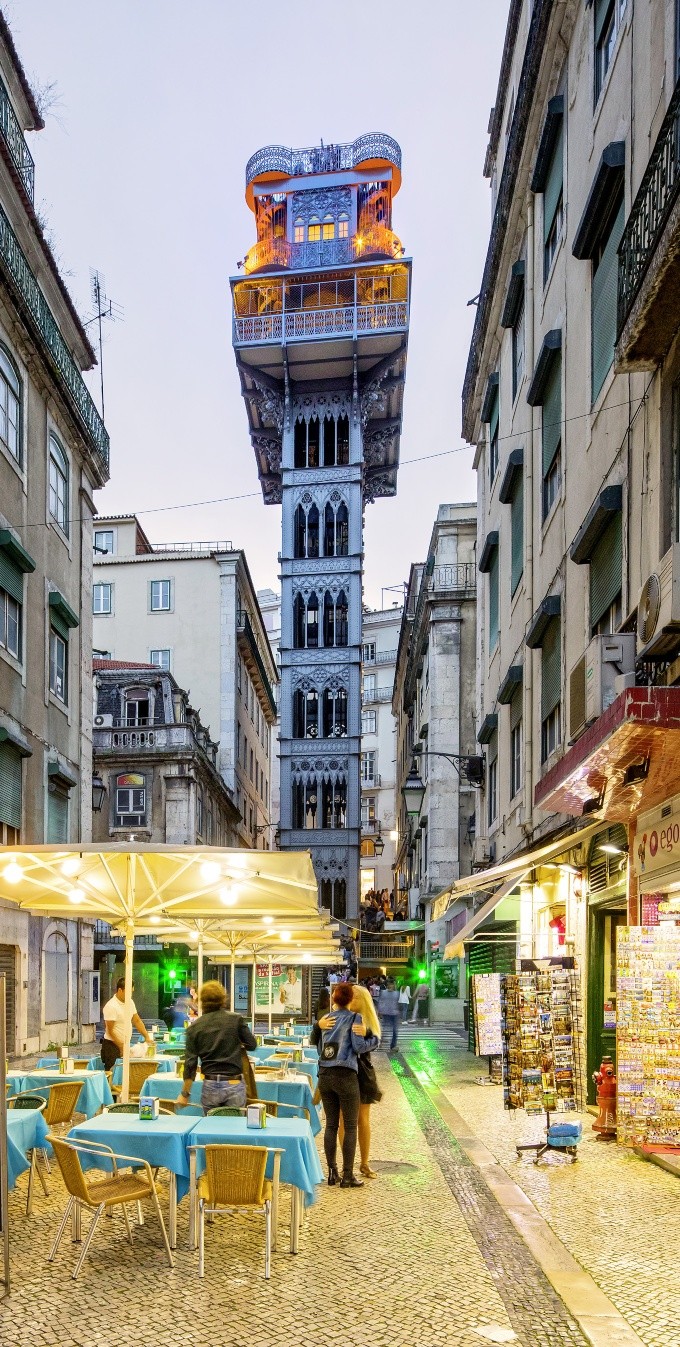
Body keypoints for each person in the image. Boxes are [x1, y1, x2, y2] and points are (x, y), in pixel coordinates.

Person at [310, 981, 378, 1188]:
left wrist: (318, 1026)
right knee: (349, 1126)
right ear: (349, 1000)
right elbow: (358, 1047)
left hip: (325, 1074)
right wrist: (373, 1040)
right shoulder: (354, 1018)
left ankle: (332, 1173)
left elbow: (318, 1046)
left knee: (331, 1125)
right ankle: (348, 1175)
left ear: (334, 998)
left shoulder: (326, 1018)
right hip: (346, 1075)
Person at [177, 979, 256, 1113]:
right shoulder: (236, 1020)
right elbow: (252, 1045)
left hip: (210, 1084)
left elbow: (190, 1064)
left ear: (201, 1001)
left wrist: (185, 1094)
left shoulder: (194, 1028)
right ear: (223, 999)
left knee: (210, 1124)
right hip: (234, 1082)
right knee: (236, 1124)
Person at [339, 984, 382, 1179]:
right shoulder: (341, 1017)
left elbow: (366, 1047)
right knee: (343, 1119)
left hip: (362, 1074)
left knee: (362, 1119)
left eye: (354, 997)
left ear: (363, 1001)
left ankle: (364, 1163)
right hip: (343, 1072)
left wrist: (366, 1033)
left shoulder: (366, 1022)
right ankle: (346, 1165)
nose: (350, 999)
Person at [377, 977, 401, 1052]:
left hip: (394, 1014)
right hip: (386, 1013)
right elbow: (380, 1002)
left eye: (392, 984)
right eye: (390, 984)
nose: (391, 986)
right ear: (387, 985)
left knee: (394, 1030)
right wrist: (379, 1011)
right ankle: (380, 1042)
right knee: (384, 1029)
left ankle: (393, 1046)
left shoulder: (396, 993)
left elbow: (397, 1003)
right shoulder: (383, 992)